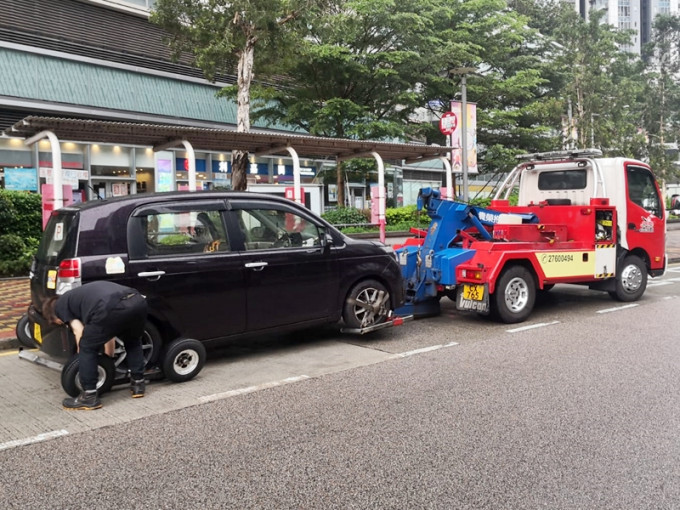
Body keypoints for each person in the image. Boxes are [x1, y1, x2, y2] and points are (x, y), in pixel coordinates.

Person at [42, 281, 148, 410]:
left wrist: (81, 358)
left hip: (110, 306)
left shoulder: (60, 306)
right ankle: (138, 385)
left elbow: (79, 332)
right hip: (137, 300)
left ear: (54, 316)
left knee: (87, 347)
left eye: (59, 322)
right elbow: (109, 332)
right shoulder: (78, 298)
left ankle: (89, 397)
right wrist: (108, 360)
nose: (62, 322)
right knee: (133, 341)